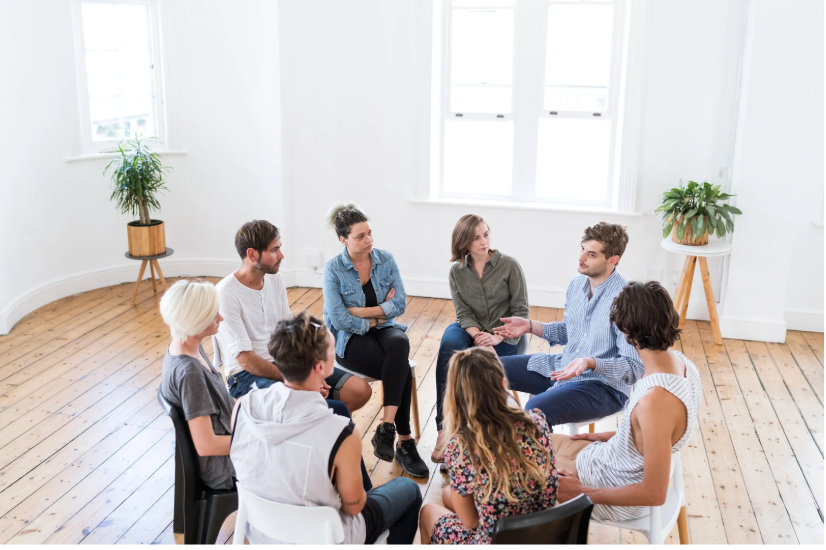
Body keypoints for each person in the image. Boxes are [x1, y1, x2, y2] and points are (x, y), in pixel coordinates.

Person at [230, 313, 423, 544]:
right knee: (409, 490)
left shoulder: (243, 407)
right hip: (324, 537)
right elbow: (354, 507)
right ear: (320, 367)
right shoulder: (340, 431)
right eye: (332, 349)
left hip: (263, 533)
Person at [551, 281, 703, 523]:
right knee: (523, 442)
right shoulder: (682, 364)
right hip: (605, 460)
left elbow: (654, 493)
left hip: (609, 493)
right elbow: (656, 436)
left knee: (508, 467)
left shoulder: (656, 401)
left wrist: (581, 492)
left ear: (627, 333)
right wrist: (613, 435)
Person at [494, 222, 644, 430]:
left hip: (603, 387)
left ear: (613, 260)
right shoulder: (577, 283)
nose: (581, 258)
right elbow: (570, 332)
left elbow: (634, 368)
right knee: (484, 370)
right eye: (582, 249)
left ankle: (531, 459)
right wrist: (529, 326)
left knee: (536, 408)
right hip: (563, 368)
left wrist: (591, 363)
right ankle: (480, 446)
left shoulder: (627, 299)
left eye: (592, 254)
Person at [214, 219, 371, 415]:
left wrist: (308, 370)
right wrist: (302, 380)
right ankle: (309, 430)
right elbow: (245, 360)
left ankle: (317, 433)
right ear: (252, 254)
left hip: (282, 363)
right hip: (245, 375)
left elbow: (287, 331)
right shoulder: (225, 293)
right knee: (304, 405)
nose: (281, 255)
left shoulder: (274, 278)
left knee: (359, 390)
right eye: (274, 250)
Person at [322, 205, 428, 477]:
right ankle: (404, 442)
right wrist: (379, 313)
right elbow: (341, 320)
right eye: (360, 236)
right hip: (349, 340)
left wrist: (364, 313)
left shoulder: (385, 259)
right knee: (400, 367)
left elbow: (401, 303)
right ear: (343, 240)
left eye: (369, 233)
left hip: (383, 330)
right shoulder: (333, 270)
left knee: (399, 344)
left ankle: (386, 427)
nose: (368, 240)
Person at [419, 348, 558, 544]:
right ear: (503, 383)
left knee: (428, 512)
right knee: (447, 493)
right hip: (541, 533)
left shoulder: (460, 449)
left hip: (496, 540)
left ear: (456, 397)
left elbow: (470, 522)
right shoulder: (537, 422)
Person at [432, 214, 529, 466]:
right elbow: (463, 312)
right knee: (448, 348)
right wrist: (477, 336)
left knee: (481, 371)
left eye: (485, 234)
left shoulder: (510, 265)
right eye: (475, 238)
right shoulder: (457, 272)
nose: (483, 241)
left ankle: (486, 439)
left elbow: (520, 311)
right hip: (471, 328)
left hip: (505, 334)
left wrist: (496, 337)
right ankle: (444, 429)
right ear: (463, 241)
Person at [159, 280, 234, 491]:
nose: (221, 318)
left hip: (234, 439)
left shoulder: (189, 347)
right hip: (227, 468)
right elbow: (206, 444)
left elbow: (222, 405)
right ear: (196, 321)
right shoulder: (189, 373)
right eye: (214, 315)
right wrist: (256, 442)